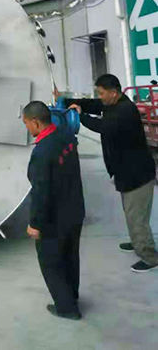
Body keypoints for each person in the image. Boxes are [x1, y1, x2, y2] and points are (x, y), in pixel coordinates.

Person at [69, 74, 158, 273]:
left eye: (102, 93)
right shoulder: (112, 104)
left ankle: (150, 257)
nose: (99, 97)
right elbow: (93, 104)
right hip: (126, 172)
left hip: (137, 175)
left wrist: (81, 116)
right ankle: (137, 242)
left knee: (137, 217)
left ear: (113, 92)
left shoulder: (125, 110)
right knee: (131, 213)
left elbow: (103, 127)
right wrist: (68, 102)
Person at [22, 100, 85, 321]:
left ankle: (67, 308)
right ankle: (72, 296)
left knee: (51, 262)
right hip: (75, 210)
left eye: (26, 123)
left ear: (35, 122)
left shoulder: (42, 152)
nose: (26, 128)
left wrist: (35, 224)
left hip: (54, 218)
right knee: (70, 256)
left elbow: (41, 192)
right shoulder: (66, 136)